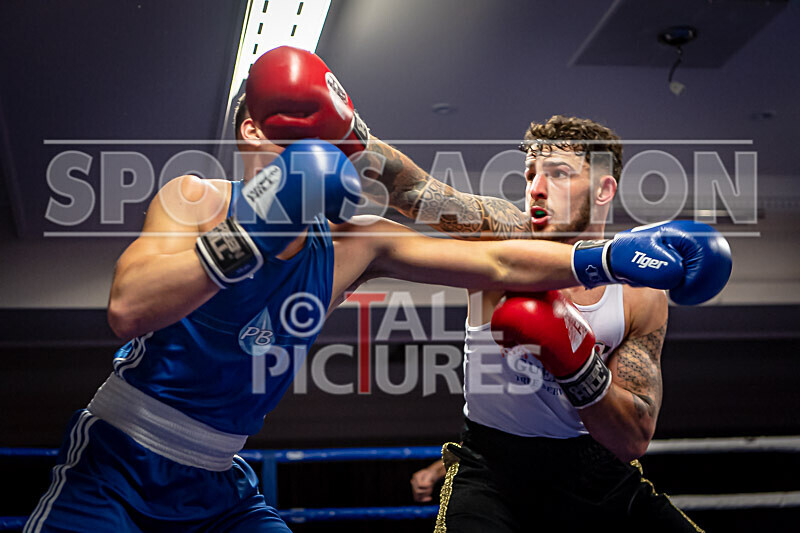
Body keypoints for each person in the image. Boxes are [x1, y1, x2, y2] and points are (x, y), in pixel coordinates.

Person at [22, 49, 722, 533]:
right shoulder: (196, 197)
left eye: (312, 136)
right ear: (247, 131)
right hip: (117, 457)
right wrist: (260, 225)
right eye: (284, 134)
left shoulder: (356, 240)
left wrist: (611, 256)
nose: (299, 152)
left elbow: (504, 266)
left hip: (217, 482)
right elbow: (128, 306)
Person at [237, 47, 729, 532]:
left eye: (557, 174)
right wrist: (349, 132)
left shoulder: (640, 292)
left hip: (600, 479)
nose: (535, 187)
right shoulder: (504, 231)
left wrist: (576, 362)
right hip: (493, 471)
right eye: (531, 174)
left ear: (603, 190)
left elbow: (634, 436)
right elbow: (415, 192)